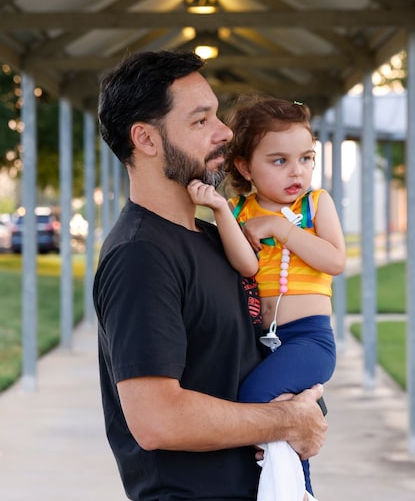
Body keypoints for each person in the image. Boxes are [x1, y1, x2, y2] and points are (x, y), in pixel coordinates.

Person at [94, 50, 328, 501]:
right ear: (145, 138)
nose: (225, 133)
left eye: (217, 116)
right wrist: (287, 422)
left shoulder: (216, 237)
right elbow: (157, 419)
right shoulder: (140, 255)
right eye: (201, 121)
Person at [188, 96, 346, 499]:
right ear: (244, 166)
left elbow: (334, 260)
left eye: (306, 158)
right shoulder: (242, 211)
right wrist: (223, 213)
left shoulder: (315, 204)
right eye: (279, 161)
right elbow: (247, 266)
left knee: (259, 402)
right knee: (279, 415)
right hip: (265, 342)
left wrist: (281, 227)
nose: (298, 171)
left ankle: (297, 491)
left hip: (309, 339)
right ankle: (290, 488)